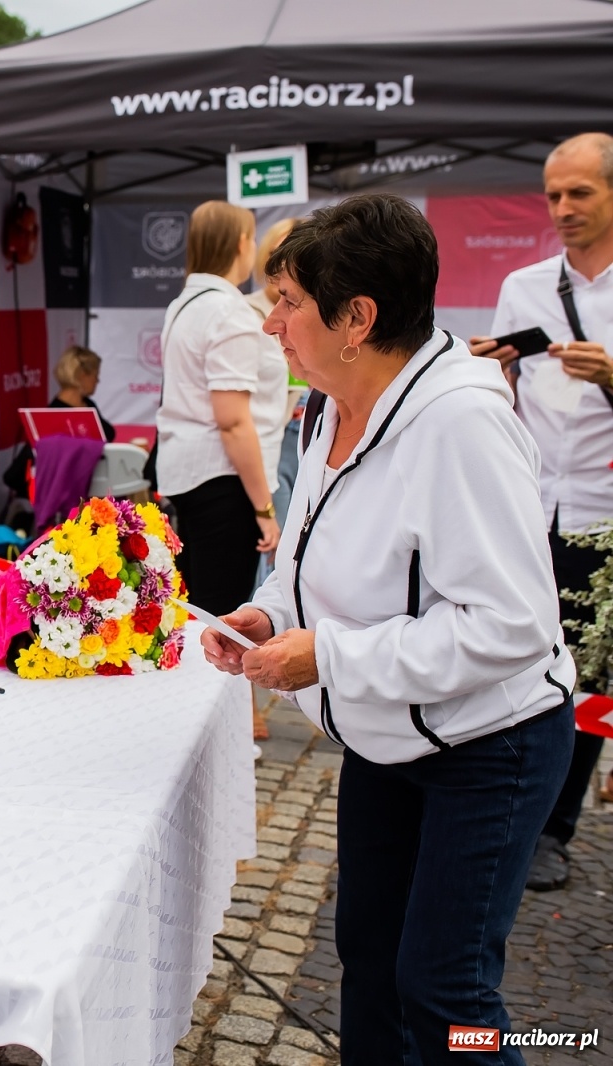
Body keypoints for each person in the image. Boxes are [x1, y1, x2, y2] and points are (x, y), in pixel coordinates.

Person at [204, 195, 576, 1065]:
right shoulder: (331, 402)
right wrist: (269, 613)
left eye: (290, 302)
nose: (272, 326)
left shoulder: (461, 423)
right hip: (387, 739)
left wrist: (326, 654)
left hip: (493, 745)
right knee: (368, 962)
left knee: (447, 992)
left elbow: (513, 625)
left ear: (357, 319)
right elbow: (305, 556)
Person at [470, 131, 613, 892]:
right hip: (528, 506)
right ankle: (508, 804)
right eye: (553, 194)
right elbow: (504, 406)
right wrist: (496, 375)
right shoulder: (526, 286)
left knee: (591, 674)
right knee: (519, 657)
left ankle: (557, 828)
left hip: (604, 508)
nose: (562, 208)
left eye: (580, 193)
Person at [156, 201, 289, 616]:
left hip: (192, 473)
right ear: (241, 243)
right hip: (224, 479)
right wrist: (264, 509)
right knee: (220, 617)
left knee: (198, 610)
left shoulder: (185, 303)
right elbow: (232, 421)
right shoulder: (227, 310)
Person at [247, 218, 308, 532]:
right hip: (271, 436)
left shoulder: (317, 306)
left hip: (313, 427)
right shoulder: (244, 311)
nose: (282, 261)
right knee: (280, 536)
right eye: (276, 251)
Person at [2, 345, 116, 501]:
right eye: (95, 375)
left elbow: (108, 433)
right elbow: (15, 475)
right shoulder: (50, 420)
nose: (98, 381)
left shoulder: (87, 406)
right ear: (82, 376)